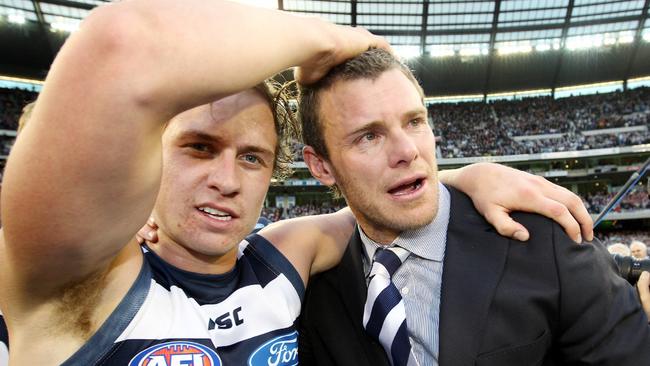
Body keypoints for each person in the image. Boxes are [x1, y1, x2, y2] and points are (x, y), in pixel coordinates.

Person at [0, 1, 596, 365]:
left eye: (253, 158)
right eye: (198, 148)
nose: (227, 180)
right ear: (144, 159)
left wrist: (469, 175)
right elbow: (122, 46)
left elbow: (382, 197)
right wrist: (331, 40)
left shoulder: (283, 258)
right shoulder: (75, 278)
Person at [297, 49, 650, 365]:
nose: (407, 150)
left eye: (414, 122)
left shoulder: (545, 238)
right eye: (369, 136)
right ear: (321, 166)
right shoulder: (311, 291)